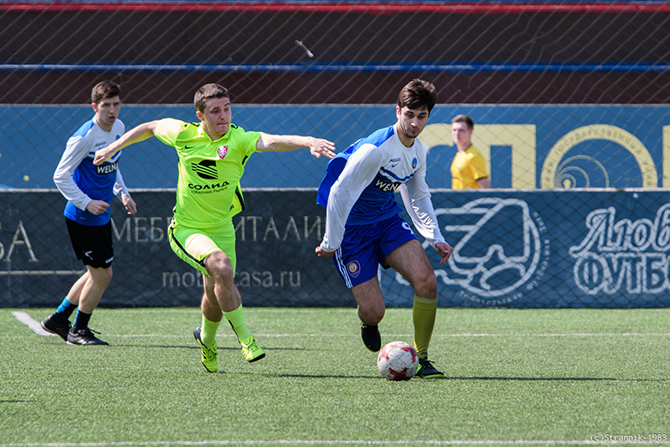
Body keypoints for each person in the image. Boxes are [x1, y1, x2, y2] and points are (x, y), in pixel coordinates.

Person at [93, 83, 335, 373]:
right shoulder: (184, 134)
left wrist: (308, 141)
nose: (223, 116)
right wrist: (113, 147)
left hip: (222, 228)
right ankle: (246, 339)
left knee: (215, 290)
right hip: (186, 229)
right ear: (201, 116)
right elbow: (150, 127)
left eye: (227, 109)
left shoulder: (238, 139)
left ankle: (206, 339)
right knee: (221, 266)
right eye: (215, 111)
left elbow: (273, 141)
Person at [315, 79, 453, 379]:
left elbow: (418, 195)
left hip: (387, 222)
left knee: (427, 281)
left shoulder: (418, 152)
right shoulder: (375, 149)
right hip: (353, 232)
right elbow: (339, 192)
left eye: (422, 116)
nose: (415, 123)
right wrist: (331, 241)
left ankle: (423, 359)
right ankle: (369, 322)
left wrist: (435, 236)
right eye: (409, 115)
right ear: (397, 111)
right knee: (375, 311)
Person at [42, 80, 138, 346]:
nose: (112, 110)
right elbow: (60, 176)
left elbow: (112, 164)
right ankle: (79, 330)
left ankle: (59, 319)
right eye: (106, 105)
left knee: (95, 272)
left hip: (100, 216)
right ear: (94, 107)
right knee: (103, 275)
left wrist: (123, 193)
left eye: (116, 104)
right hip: (83, 217)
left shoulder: (119, 128)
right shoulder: (84, 137)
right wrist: (86, 203)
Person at [451, 114, 491, 189]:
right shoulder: (459, 154)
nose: (457, 133)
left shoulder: (474, 156)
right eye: (454, 130)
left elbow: (486, 187)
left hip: (470, 197)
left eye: (461, 130)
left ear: (470, 132)